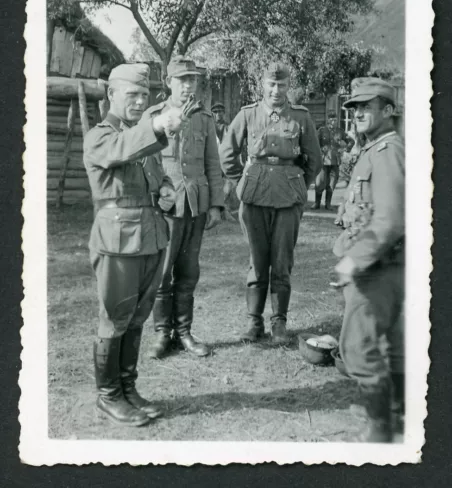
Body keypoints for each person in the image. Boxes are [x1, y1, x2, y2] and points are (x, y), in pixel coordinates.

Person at [83, 63, 185, 427]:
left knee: (137, 317)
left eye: (146, 95)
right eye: (133, 94)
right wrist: (157, 125)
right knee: (115, 318)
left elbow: (155, 180)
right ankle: (108, 396)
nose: (141, 101)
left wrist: (166, 191)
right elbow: (121, 150)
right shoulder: (101, 136)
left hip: (150, 236)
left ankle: (128, 388)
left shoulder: (142, 136)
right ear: (112, 95)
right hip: (118, 242)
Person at [220, 63, 321, 345]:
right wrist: (243, 181)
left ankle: (279, 322)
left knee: (282, 260)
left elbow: (314, 158)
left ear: (289, 87)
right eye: (271, 85)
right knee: (257, 259)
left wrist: (297, 182)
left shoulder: (301, 117)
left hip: (288, 198)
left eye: (283, 85)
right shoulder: (248, 114)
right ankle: (254, 323)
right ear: (262, 85)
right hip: (254, 196)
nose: (277, 91)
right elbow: (227, 152)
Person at [332, 77, 405, 442]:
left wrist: (353, 260)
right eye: (354, 107)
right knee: (392, 344)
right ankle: (394, 412)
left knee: (358, 347)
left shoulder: (386, 151)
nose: (358, 112)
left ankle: (380, 431)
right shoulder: (374, 147)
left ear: (389, 110)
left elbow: (390, 219)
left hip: (378, 265)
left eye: (366, 106)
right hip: (382, 263)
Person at [147, 56, 224, 359]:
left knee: (189, 272)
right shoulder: (155, 116)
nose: (189, 85)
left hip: (196, 205)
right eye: (182, 79)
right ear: (169, 83)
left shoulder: (204, 119)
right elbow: (147, 162)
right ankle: (161, 335)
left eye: (193, 79)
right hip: (167, 206)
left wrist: (216, 205)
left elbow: (212, 164)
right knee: (163, 272)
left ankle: (184, 333)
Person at [312, 111, 354, 210]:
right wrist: (320, 150)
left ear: (337, 120)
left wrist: (344, 149)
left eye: (334, 119)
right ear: (327, 120)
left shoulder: (340, 132)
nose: (333, 121)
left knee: (331, 183)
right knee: (320, 182)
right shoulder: (322, 131)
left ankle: (328, 204)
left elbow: (351, 141)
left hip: (335, 161)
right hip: (323, 161)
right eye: (331, 119)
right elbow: (315, 143)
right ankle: (317, 203)